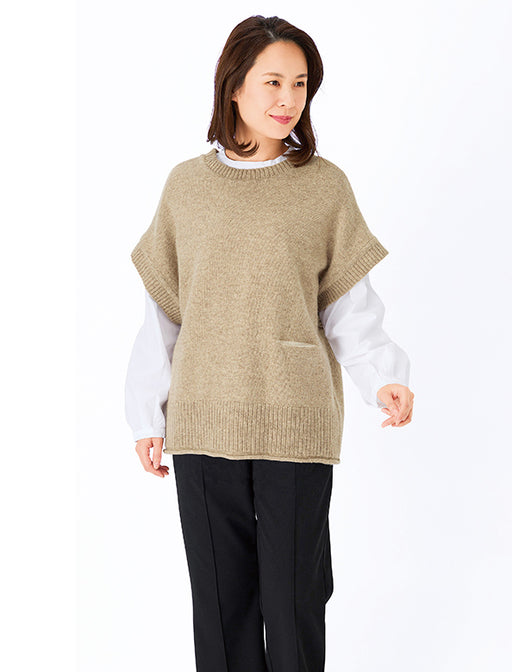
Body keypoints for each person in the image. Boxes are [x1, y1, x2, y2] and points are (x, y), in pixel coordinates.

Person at [125, 15, 414, 672]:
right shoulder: (186, 187)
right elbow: (163, 313)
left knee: (294, 604)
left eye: (301, 84)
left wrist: (383, 377)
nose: (289, 99)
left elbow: (347, 308)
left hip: (295, 423)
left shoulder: (324, 186)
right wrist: (146, 415)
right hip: (203, 422)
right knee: (221, 609)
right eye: (273, 82)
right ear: (234, 86)